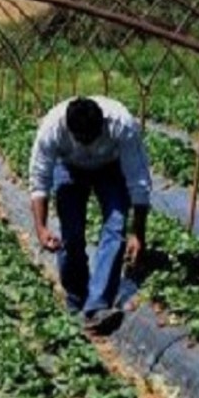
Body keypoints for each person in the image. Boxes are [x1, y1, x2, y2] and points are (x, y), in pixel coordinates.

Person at [28, 96, 152, 333]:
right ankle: (76, 300)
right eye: (81, 139)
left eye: (91, 137)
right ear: (69, 128)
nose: (86, 144)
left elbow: (138, 180)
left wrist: (138, 232)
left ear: (102, 126)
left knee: (116, 227)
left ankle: (96, 306)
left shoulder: (122, 125)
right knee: (71, 235)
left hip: (111, 168)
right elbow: (39, 179)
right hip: (69, 168)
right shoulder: (52, 129)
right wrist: (41, 228)